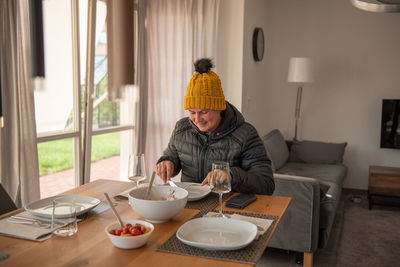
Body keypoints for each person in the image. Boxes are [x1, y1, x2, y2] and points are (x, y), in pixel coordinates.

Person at [156, 58, 274, 195]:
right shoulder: (181, 128)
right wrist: (167, 163)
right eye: (192, 112)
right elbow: (171, 157)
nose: (197, 119)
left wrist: (232, 176)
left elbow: (266, 184)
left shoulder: (246, 134)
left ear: (219, 108)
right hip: (188, 206)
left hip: (227, 208)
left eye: (204, 112)